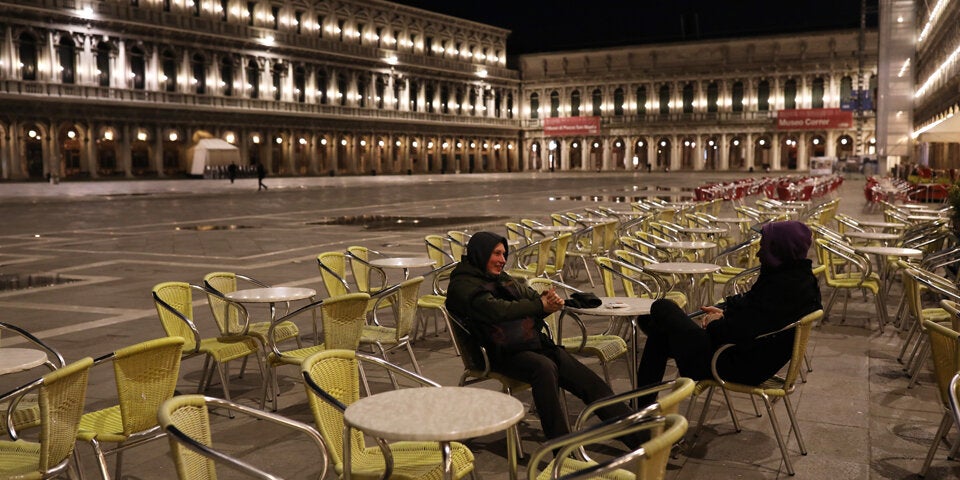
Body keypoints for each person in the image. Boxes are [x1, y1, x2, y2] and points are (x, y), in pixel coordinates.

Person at [445, 231, 638, 445]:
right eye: (496, 253)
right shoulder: (462, 285)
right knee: (544, 367)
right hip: (492, 353)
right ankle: (560, 446)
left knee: (586, 379)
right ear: (480, 253)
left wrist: (547, 303)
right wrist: (538, 305)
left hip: (522, 343)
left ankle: (637, 434)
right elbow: (495, 310)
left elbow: (529, 299)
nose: (502, 260)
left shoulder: (499, 278)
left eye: (504, 254)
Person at [634, 220, 822, 407]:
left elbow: (735, 330)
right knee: (660, 334)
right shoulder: (798, 280)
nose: (758, 253)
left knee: (662, 307)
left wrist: (716, 321)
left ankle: (640, 411)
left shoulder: (781, 289)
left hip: (734, 364)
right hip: (748, 358)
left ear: (778, 249)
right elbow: (752, 308)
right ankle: (641, 410)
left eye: (763, 247)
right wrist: (726, 311)